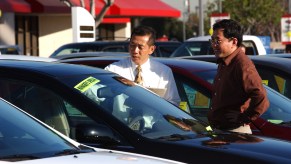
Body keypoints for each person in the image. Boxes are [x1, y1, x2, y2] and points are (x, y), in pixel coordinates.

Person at [207, 19, 269, 134]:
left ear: (234, 41)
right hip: (222, 132)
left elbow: (260, 96)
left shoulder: (242, 64)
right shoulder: (224, 62)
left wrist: (244, 117)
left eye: (218, 41)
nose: (214, 45)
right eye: (212, 40)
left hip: (235, 133)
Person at [104, 25, 181, 106]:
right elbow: (99, 96)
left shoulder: (163, 72)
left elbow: (174, 103)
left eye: (140, 47)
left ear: (151, 49)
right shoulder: (113, 70)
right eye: (132, 45)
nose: (135, 50)